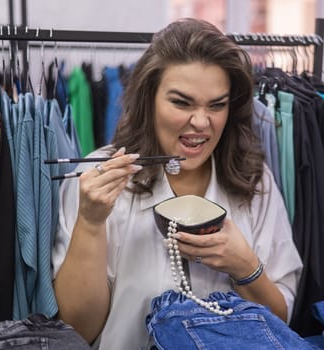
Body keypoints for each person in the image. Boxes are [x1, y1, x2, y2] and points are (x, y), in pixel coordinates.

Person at [51, 18, 303, 349]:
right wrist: (91, 222)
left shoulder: (254, 182)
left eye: (217, 105)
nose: (201, 123)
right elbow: (77, 330)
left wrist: (245, 266)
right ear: (149, 99)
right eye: (181, 103)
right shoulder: (100, 179)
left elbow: (278, 323)